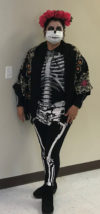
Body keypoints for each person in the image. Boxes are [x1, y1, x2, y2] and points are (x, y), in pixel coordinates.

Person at [13, 10, 92, 214]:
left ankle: (48, 189)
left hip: (62, 113)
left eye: (58, 29)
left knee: (50, 153)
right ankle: (52, 183)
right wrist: (21, 104)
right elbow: (22, 80)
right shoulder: (33, 54)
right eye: (51, 28)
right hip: (38, 111)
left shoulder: (73, 53)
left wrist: (76, 105)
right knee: (46, 151)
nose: (55, 31)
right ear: (44, 31)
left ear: (63, 31)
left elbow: (83, 81)